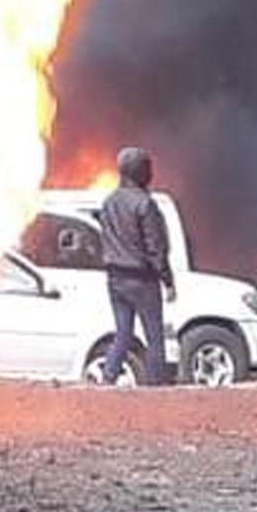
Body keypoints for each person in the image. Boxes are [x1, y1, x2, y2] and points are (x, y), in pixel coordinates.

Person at [99, 147, 176, 386]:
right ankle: (155, 386)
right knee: (154, 336)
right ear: (141, 173)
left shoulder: (108, 202)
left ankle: (108, 376)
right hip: (141, 280)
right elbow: (156, 247)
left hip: (114, 279)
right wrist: (168, 281)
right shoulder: (145, 205)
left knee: (123, 333)